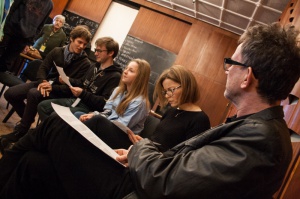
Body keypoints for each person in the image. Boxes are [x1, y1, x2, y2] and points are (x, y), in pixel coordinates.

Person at [0, 22, 300, 199]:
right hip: (141, 181)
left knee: (55, 126)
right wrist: (143, 152)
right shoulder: (259, 131)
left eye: (230, 64)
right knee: (32, 163)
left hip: (137, 190)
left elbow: (167, 182)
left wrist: (138, 153)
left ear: (247, 76)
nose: (226, 71)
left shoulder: (261, 142)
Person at [0, 26, 92, 152]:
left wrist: (53, 87)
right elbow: (43, 67)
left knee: (33, 94)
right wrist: (43, 82)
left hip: (60, 92)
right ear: (71, 39)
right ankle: (27, 119)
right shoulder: (57, 51)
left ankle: (21, 130)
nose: (81, 46)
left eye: (84, 44)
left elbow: (77, 85)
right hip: (44, 83)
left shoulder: (85, 63)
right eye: (79, 42)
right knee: (10, 94)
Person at [37, 37, 122, 122]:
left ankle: (49, 132)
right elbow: (82, 82)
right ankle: (49, 131)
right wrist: (69, 80)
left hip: (88, 108)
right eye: (96, 50)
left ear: (111, 53)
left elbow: (103, 103)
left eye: (99, 51)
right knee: (42, 106)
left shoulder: (115, 76)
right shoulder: (94, 66)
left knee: (56, 116)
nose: (95, 53)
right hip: (75, 100)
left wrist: (82, 93)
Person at [128, 65, 211, 151]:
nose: (167, 96)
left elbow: (185, 158)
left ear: (186, 86)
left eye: (171, 90)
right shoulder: (171, 111)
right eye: (165, 91)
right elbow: (159, 142)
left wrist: (148, 151)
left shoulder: (200, 120)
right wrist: (144, 144)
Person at [0, 0, 53, 72]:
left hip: (25, 38)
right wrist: (6, 28)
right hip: (11, 30)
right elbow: (13, 9)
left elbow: (41, 25)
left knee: (6, 63)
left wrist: (29, 43)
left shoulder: (50, 5)